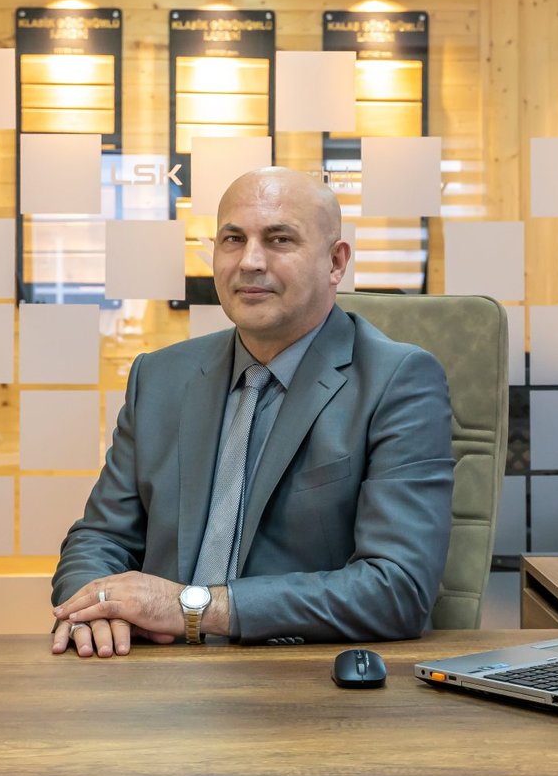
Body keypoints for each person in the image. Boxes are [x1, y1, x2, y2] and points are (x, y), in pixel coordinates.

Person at [49, 167, 455, 658]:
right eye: (233, 239)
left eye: (280, 239)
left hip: (294, 679)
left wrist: (193, 608)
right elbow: (99, 537)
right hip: (151, 672)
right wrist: (97, 606)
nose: (250, 262)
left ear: (335, 262)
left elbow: (397, 588)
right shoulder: (159, 377)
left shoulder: (397, 381)